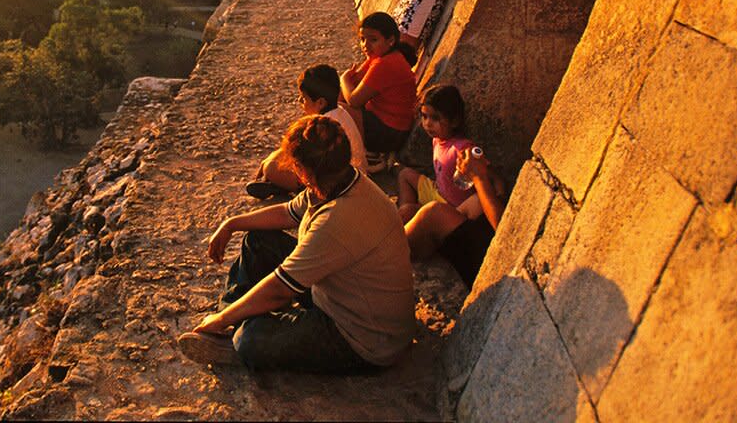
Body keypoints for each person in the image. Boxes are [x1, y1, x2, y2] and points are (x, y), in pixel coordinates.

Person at [178, 115, 416, 371]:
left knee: (251, 340)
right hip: (339, 292)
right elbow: (287, 213)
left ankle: (232, 330)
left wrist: (220, 319)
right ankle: (232, 323)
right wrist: (232, 223)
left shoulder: (337, 219)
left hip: (365, 337)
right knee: (257, 241)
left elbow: (281, 287)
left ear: (306, 172)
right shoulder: (342, 181)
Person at [246, 65, 368, 199]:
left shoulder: (322, 127)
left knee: (271, 168)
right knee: (278, 159)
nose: (299, 101)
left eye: (304, 98)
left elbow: (298, 154)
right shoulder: (339, 111)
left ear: (320, 103)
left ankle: (293, 190)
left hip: (337, 184)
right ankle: (279, 187)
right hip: (354, 175)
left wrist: (269, 162)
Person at [405, 144, 506, 290]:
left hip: (496, 266)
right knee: (477, 201)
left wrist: (479, 178)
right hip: (491, 238)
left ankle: (385, 253)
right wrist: (493, 181)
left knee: (434, 213)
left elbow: (506, 234)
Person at [339, 11, 417, 169]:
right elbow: (355, 82)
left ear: (390, 40)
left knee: (338, 110)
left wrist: (343, 79)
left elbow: (354, 99)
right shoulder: (379, 57)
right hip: (382, 122)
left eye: (373, 40)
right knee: (334, 102)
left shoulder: (387, 64)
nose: (365, 45)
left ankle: (370, 155)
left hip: (391, 132)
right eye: (362, 39)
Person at [396, 85, 477, 223]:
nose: (427, 123)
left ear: (455, 121)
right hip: (437, 192)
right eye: (424, 116)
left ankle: (409, 219)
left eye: (435, 118)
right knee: (405, 175)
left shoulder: (462, 149)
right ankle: (408, 214)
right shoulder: (437, 140)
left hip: (450, 209)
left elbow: (486, 174)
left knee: (407, 212)